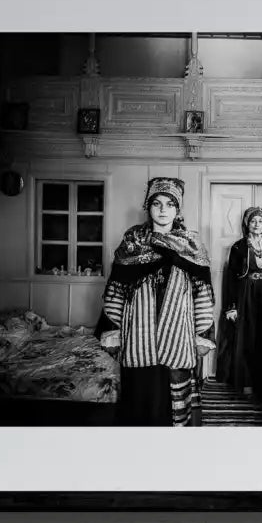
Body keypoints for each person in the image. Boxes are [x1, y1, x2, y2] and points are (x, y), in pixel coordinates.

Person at [96, 176, 215, 426]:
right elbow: (116, 290)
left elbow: (202, 293)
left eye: (169, 204)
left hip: (178, 335)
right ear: (148, 207)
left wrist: (202, 333)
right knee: (140, 399)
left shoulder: (191, 245)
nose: (163, 210)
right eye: (157, 203)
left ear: (177, 209)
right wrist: (113, 331)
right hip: (138, 336)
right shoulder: (131, 244)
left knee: (173, 400)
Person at [215, 206, 262, 398]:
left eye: (260, 221)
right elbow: (232, 279)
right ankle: (248, 383)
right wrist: (231, 307)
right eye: (253, 221)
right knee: (248, 339)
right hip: (246, 297)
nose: (257, 224)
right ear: (247, 224)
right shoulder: (238, 247)